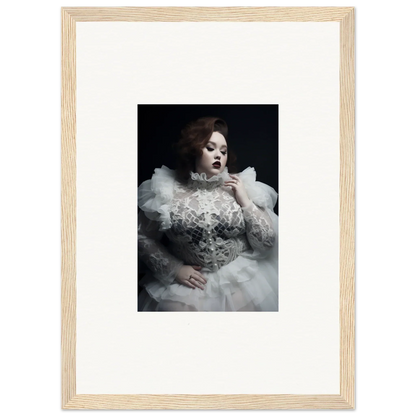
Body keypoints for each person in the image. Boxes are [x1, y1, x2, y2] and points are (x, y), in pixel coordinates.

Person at [137, 116, 278, 311]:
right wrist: (174, 269)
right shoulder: (165, 190)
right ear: (193, 150)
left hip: (243, 280)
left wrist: (245, 200)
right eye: (210, 148)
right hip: (189, 288)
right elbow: (141, 235)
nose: (218, 155)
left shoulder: (242, 185)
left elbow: (266, 242)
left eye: (223, 151)